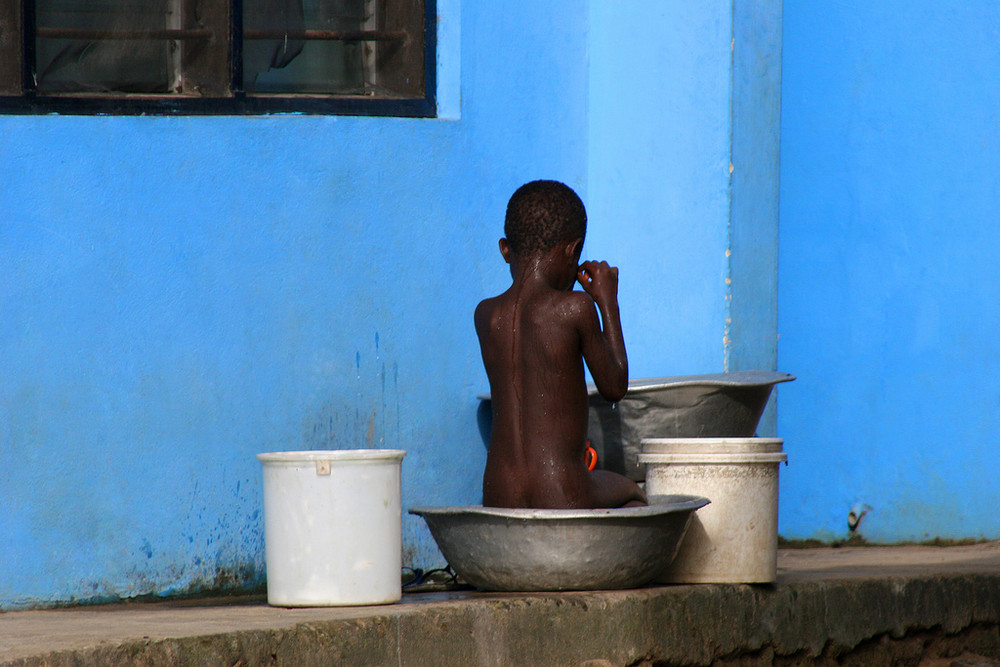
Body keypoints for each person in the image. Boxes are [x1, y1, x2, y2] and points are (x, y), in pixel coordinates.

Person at [475, 180, 647, 509]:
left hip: (498, 494)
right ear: (572, 251)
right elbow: (614, 386)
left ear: (505, 249)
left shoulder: (486, 315)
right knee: (634, 495)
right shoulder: (574, 308)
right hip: (562, 491)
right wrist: (608, 303)